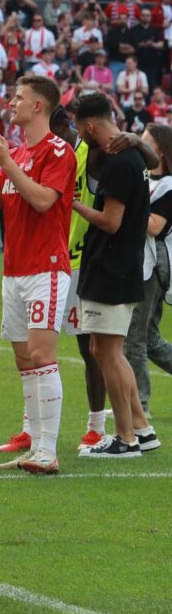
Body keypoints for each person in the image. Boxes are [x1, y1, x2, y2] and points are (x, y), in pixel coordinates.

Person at [0, 76, 76, 474]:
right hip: (13, 269)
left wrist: (7, 164)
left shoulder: (58, 151)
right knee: (23, 358)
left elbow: (42, 201)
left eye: (19, 97)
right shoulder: (14, 152)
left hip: (46, 268)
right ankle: (33, 440)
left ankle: (47, 451)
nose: (11, 102)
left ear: (39, 107)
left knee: (40, 354)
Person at [72, 92, 160, 458]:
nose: (79, 135)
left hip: (111, 265)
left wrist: (72, 203)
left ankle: (125, 438)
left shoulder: (120, 161)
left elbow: (110, 221)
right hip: (120, 264)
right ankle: (141, 429)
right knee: (105, 349)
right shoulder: (132, 155)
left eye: (80, 129)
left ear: (90, 126)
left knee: (108, 353)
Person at [125, 124, 172, 418]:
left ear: (161, 151)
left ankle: (138, 406)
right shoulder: (147, 181)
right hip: (143, 262)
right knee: (150, 339)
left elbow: (155, 227)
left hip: (154, 264)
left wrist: (126, 207)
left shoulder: (168, 185)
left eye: (144, 143)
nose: (138, 148)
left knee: (134, 341)